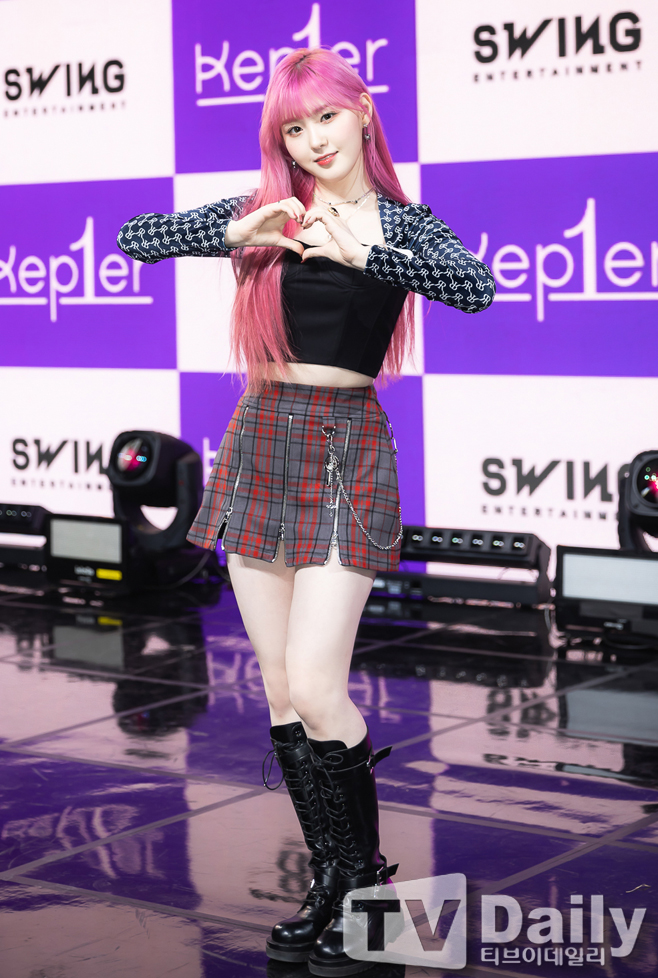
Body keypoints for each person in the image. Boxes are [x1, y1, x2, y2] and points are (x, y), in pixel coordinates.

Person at [118, 47, 494, 976]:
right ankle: (331, 879)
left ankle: (365, 886)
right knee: (283, 691)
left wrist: (362, 252)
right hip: (260, 440)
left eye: (326, 116)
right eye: (294, 127)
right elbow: (135, 236)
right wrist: (236, 228)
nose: (314, 140)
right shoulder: (273, 210)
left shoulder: (404, 223)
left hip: (346, 447)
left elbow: (476, 288)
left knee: (322, 687)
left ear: (362, 110)